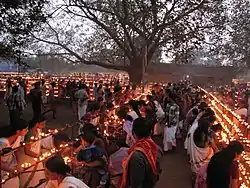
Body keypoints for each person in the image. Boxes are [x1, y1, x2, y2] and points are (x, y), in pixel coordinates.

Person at [120, 117, 162, 188]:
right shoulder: (155, 148)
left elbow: (136, 184)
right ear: (151, 132)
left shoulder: (137, 156)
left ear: (133, 134)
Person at [0, 119, 28, 188]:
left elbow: (16, 150)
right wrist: (10, 170)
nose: (27, 131)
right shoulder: (3, 143)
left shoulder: (19, 137)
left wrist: (18, 164)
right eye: (25, 130)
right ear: (18, 131)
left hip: (10, 163)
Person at [20, 115, 47, 188]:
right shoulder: (30, 133)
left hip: (36, 157)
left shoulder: (38, 130)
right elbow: (27, 151)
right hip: (30, 159)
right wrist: (38, 156)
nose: (44, 126)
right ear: (37, 123)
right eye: (42, 124)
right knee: (30, 177)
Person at [189, 120, 214, 186]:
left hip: (196, 154)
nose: (209, 129)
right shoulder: (203, 135)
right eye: (208, 128)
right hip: (202, 154)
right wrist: (210, 142)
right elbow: (204, 146)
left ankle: (194, 177)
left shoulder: (196, 132)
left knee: (196, 168)